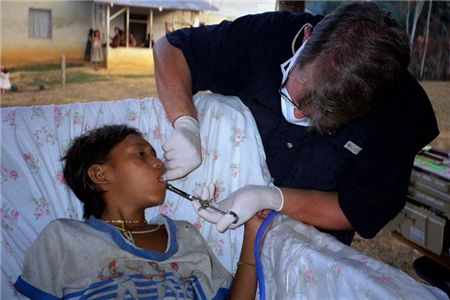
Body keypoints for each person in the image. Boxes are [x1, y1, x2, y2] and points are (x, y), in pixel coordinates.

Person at [153, 0, 439, 245]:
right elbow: (172, 49)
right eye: (296, 99)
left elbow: (359, 209)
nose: (299, 116)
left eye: (321, 119)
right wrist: (185, 122)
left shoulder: (399, 113)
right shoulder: (267, 37)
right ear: (305, 40)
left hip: (304, 241)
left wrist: (273, 198)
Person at [14, 124, 261, 299]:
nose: (159, 162)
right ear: (100, 175)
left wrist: (253, 227)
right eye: (141, 154)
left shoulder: (186, 233)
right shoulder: (62, 238)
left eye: (154, 154)